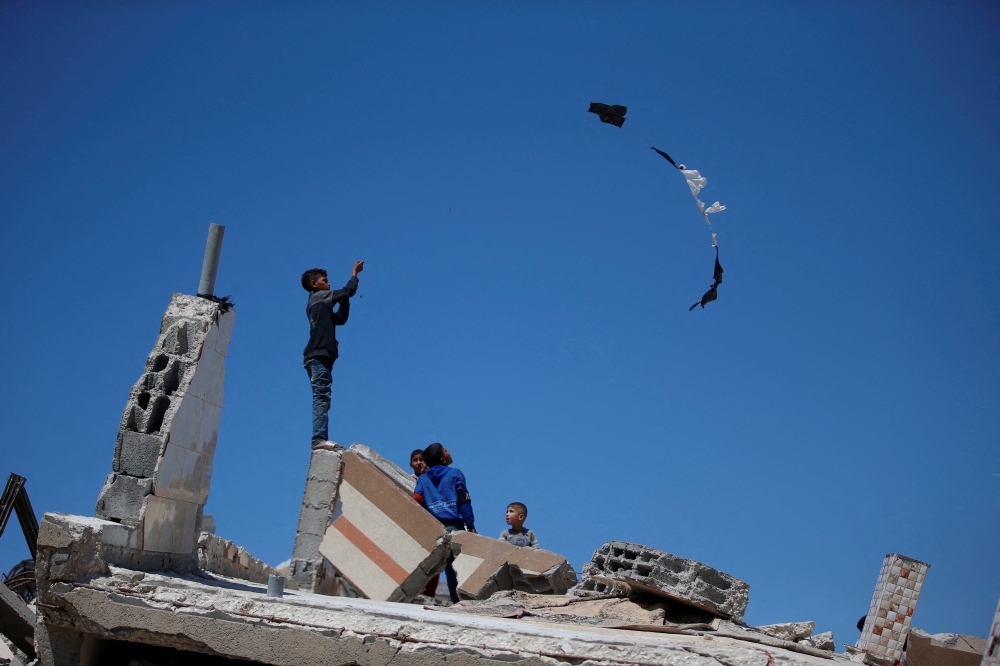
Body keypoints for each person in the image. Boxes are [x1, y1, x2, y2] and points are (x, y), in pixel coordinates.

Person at [301, 261, 363, 450]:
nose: (328, 284)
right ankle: (318, 439)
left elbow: (340, 319)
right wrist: (354, 273)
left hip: (320, 356)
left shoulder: (320, 303)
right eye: (324, 280)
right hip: (318, 355)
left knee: (324, 397)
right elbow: (348, 290)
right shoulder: (318, 297)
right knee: (321, 396)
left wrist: (344, 299)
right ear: (314, 284)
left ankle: (320, 438)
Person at [413, 443, 476, 603]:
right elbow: (463, 501)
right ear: (442, 458)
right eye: (446, 450)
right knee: (455, 569)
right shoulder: (455, 474)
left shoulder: (423, 479)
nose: (449, 451)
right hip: (454, 528)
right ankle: (460, 602)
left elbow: (417, 500)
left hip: (434, 530)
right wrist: (471, 525)